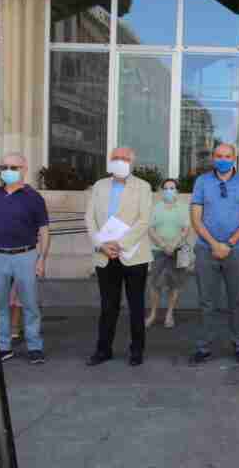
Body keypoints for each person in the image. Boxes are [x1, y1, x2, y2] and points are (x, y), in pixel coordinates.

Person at [189, 144, 239, 366]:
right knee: (206, 301)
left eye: (227, 156)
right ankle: (203, 347)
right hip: (205, 248)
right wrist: (214, 244)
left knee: (237, 300)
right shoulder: (202, 181)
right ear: (213, 158)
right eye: (219, 156)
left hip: (235, 250)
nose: (223, 159)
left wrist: (228, 243)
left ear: (234, 158)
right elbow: (196, 218)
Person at [85, 147, 153, 367]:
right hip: (104, 255)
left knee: (136, 305)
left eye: (124, 158)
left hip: (133, 255)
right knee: (108, 305)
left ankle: (136, 351)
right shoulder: (99, 186)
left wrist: (120, 244)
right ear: (110, 161)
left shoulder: (143, 187)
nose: (120, 161)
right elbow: (89, 218)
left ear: (132, 162)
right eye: (116, 158)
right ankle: (103, 350)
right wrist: (101, 244)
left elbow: (144, 220)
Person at [0, 153, 50, 364]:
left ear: (24, 169)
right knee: (0, 305)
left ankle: (34, 347)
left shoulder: (34, 198)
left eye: (13, 167)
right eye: (4, 166)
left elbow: (44, 231)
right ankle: (3, 346)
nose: (8, 170)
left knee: (30, 305)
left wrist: (42, 259)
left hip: (26, 256)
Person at [146, 179, 190, 329]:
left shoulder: (183, 208)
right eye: (166, 188)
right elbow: (150, 229)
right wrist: (163, 245)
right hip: (158, 250)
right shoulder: (155, 208)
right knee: (155, 283)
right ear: (161, 191)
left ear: (177, 190)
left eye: (172, 188)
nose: (169, 191)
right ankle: (153, 314)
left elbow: (185, 229)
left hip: (178, 250)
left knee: (175, 284)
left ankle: (169, 314)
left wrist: (174, 245)